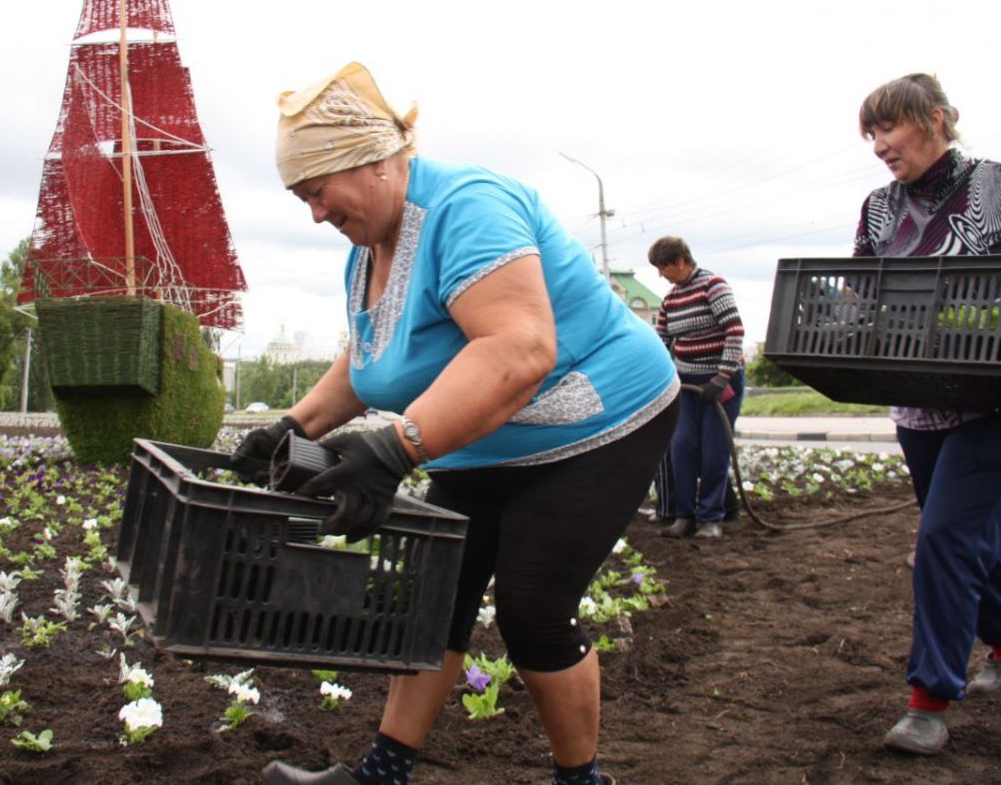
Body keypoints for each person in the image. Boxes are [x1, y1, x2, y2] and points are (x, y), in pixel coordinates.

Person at [233, 62, 681, 785]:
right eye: (300, 199)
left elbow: (519, 347)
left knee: (533, 607)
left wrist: (396, 445)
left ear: (375, 162)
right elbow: (370, 359)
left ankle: (582, 780)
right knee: (429, 599)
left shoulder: (469, 207)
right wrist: (294, 425)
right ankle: (381, 774)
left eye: (318, 192)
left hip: (597, 419)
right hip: (481, 437)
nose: (314, 213)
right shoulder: (369, 246)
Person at [853, 72, 1001, 756]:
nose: (880, 144)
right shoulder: (879, 209)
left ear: (937, 119)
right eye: (871, 134)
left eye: (891, 128)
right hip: (921, 406)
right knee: (964, 538)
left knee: (942, 540)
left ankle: (929, 700)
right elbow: (861, 292)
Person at [649, 236, 745, 539]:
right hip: (687, 385)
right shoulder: (672, 298)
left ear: (680, 261)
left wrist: (722, 375)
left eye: (663, 267)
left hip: (719, 384)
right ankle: (684, 516)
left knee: (714, 451)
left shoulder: (713, 286)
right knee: (682, 446)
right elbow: (662, 340)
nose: (661, 274)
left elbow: (734, 330)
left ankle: (711, 519)